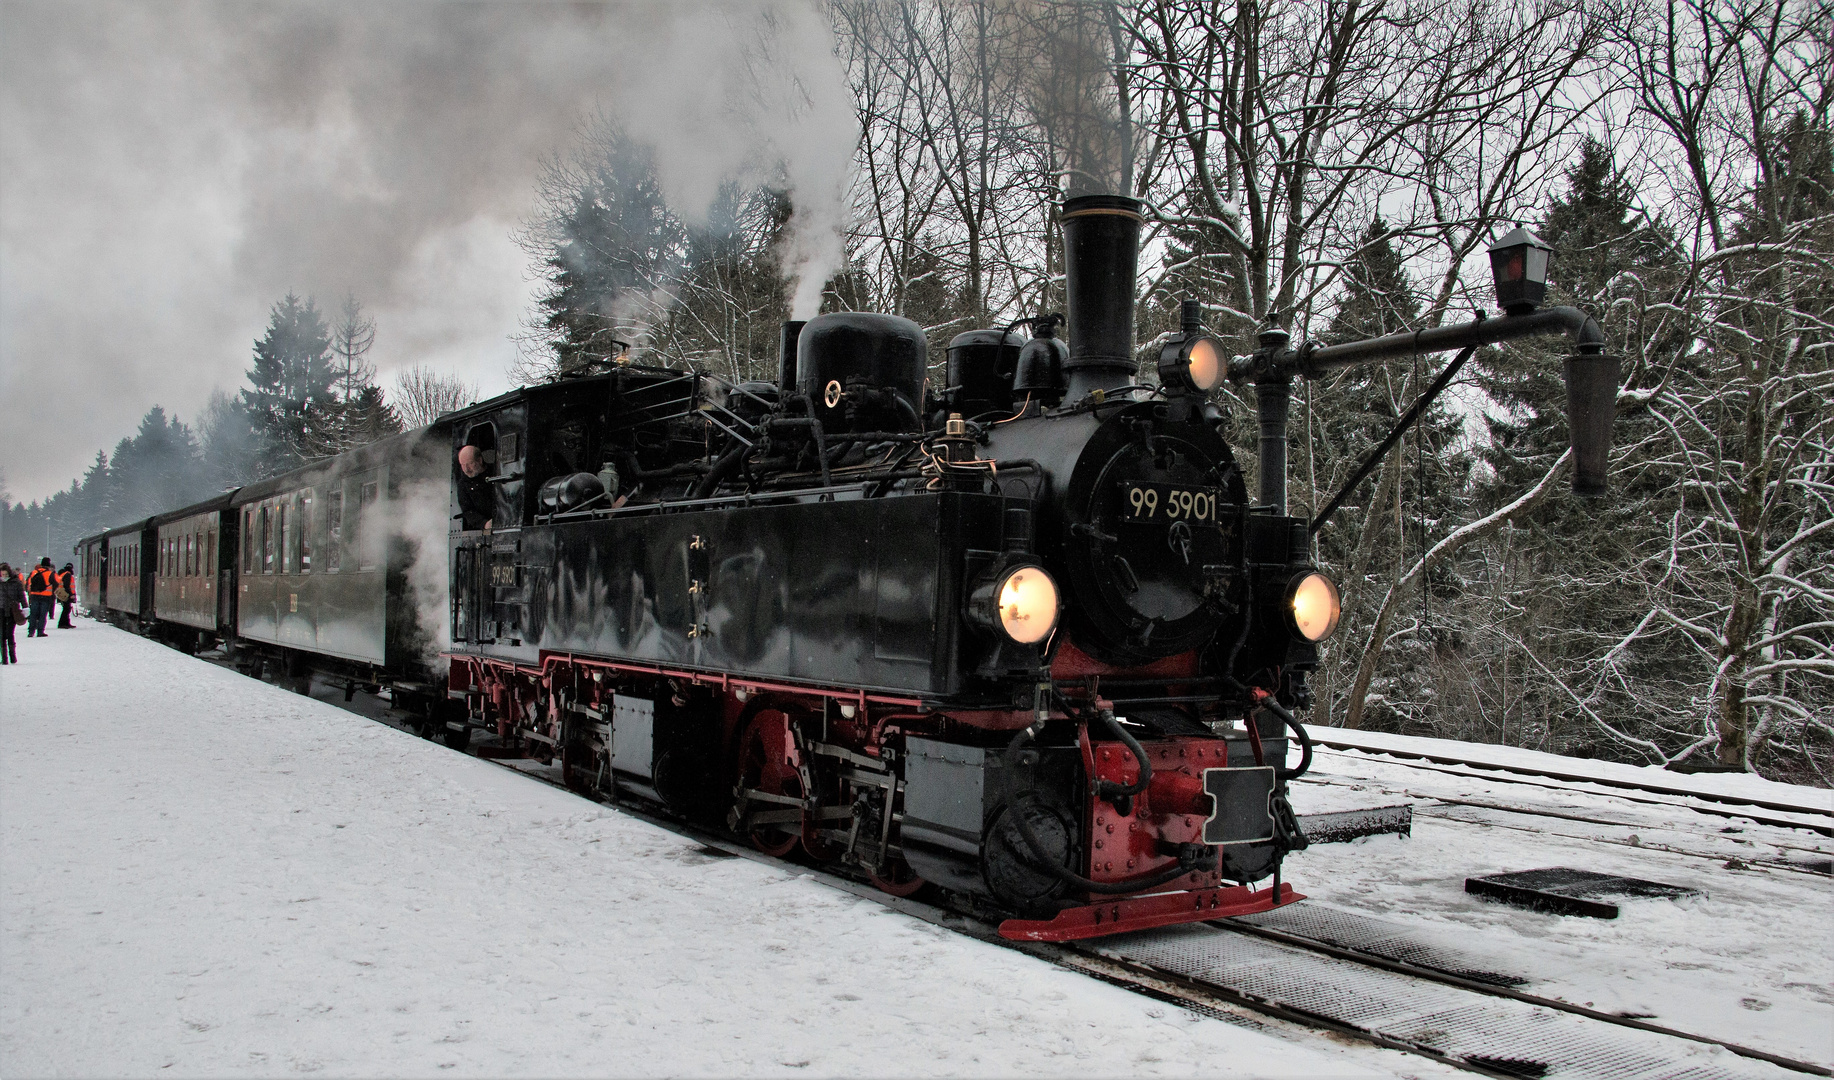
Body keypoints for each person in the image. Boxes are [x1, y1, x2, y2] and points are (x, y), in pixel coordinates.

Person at [456, 444, 495, 532]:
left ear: (480, 460)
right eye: (462, 465)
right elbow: (468, 510)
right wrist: (484, 523)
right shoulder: (463, 484)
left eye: (469, 464)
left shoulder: (496, 471)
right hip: (484, 528)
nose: (466, 469)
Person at [25, 557, 55, 638]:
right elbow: (55, 584)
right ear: (48, 565)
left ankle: (31, 631)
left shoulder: (34, 572)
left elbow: (29, 583)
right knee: (42, 615)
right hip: (46, 597)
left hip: (34, 595)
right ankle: (40, 631)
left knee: (33, 614)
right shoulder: (50, 573)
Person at [0, 564, 24, 664]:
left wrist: (25, 607)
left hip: (12, 610)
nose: (4, 577)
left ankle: (12, 657)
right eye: (2, 575)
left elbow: (21, 595)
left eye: (6, 574)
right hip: (1, 609)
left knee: (10, 633)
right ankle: (4, 658)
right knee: (1, 634)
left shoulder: (16, 582)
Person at [55, 562, 76, 628]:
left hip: (62, 593)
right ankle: (63, 623)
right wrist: (70, 594)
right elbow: (67, 586)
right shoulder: (68, 575)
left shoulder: (63, 574)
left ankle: (66, 623)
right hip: (66, 594)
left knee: (66, 608)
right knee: (66, 609)